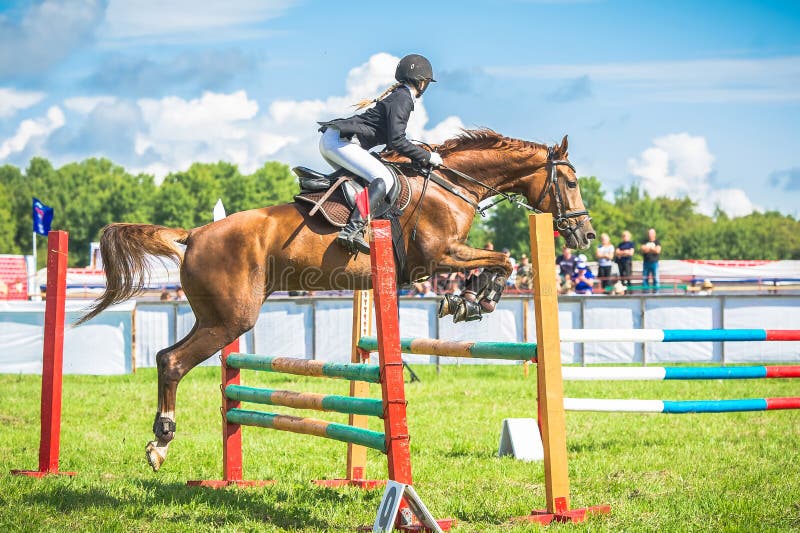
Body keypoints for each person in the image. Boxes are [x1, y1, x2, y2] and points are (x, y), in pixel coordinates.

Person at [317, 54, 441, 254]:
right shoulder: (403, 98)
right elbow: (397, 140)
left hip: (335, 140)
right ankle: (352, 229)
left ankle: (338, 211)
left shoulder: (399, 95)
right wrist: (427, 157)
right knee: (383, 179)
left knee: (364, 184)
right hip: (341, 142)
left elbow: (391, 143)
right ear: (422, 82)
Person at [640, 228, 661, 293]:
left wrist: (648, 249)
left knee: (656, 279)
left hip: (654, 263)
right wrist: (652, 249)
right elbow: (642, 249)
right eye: (649, 233)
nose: (650, 235)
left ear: (654, 234)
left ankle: (656, 293)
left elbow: (657, 251)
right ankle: (645, 293)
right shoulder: (644, 241)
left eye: (652, 233)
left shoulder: (657, 242)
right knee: (645, 279)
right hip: (646, 262)